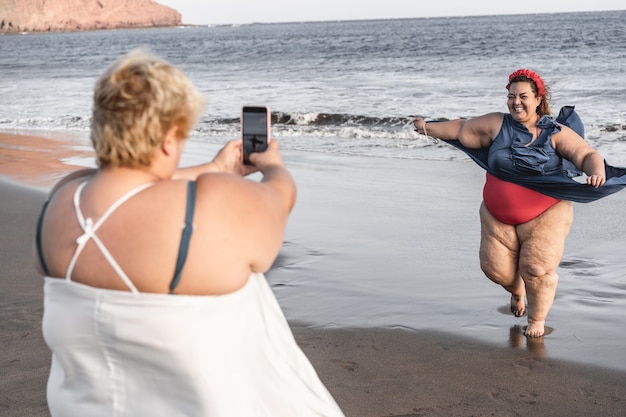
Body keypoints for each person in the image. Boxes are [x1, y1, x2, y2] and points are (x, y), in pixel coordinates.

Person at [35, 49, 345, 416]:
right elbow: (281, 198)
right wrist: (273, 166)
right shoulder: (212, 203)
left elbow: (128, 185)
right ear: (169, 139)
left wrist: (214, 167)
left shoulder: (63, 198)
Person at [412, 69, 612, 338]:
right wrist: (427, 127)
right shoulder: (496, 124)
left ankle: (537, 318)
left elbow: (586, 153)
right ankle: (517, 291)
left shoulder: (556, 132)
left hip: (546, 213)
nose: (516, 101)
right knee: (496, 270)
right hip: (496, 216)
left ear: (538, 99)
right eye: (511, 96)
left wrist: (595, 171)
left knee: (536, 268)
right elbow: (460, 129)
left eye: (523, 96)